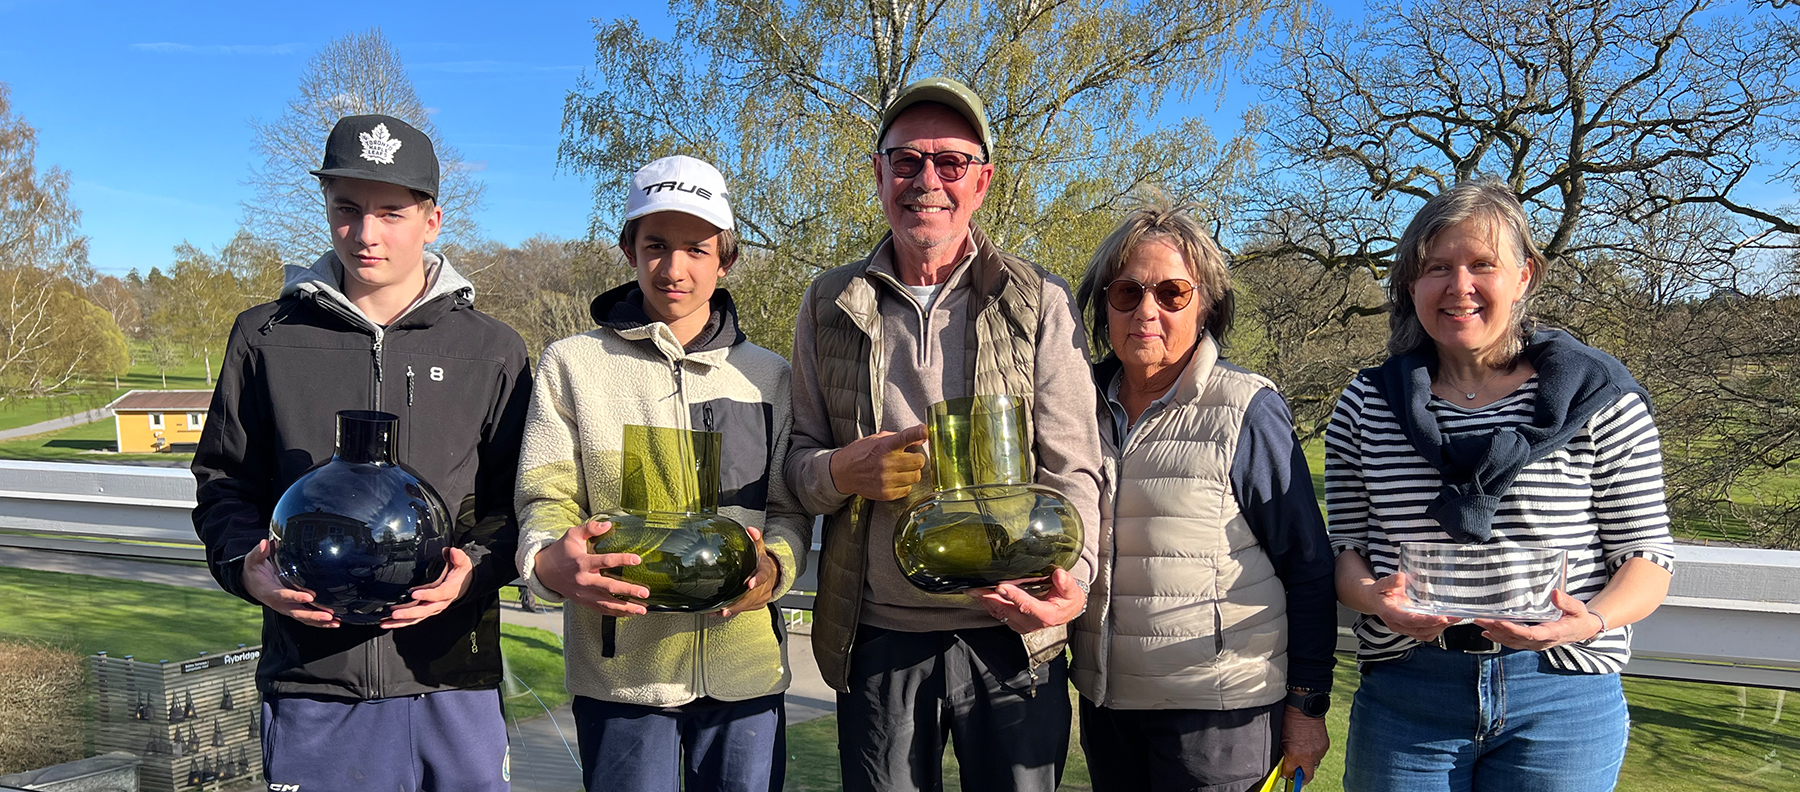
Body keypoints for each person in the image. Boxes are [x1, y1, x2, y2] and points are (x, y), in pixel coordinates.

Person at [191, 114, 533, 791]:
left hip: (451, 683)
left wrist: (472, 573)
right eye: (346, 208)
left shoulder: (493, 350)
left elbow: (517, 501)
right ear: (327, 208)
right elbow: (224, 482)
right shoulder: (265, 336)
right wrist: (244, 569)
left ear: (432, 219)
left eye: (391, 211)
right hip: (312, 685)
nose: (366, 233)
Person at [784, 77, 1105, 792]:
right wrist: (840, 473)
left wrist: (1071, 584)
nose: (927, 180)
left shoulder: (1039, 299)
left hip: (1013, 634)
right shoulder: (826, 303)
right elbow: (796, 464)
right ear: (878, 173)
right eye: (907, 161)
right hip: (878, 637)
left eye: (951, 162)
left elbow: (1074, 469)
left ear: (982, 181)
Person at [1326, 178, 1675, 791]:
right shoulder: (1367, 402)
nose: (1459, 286)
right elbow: (1344, 551)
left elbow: (1648, 559)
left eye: (1482, 264)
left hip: (1561, 693)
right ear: (1412, 286)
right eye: (1436, 267)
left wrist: (1585, 622)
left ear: (1525, 276)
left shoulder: (1599, 400)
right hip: (1409, 690)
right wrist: (1376, 599)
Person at [514, 155, 810, 792]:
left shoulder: (770, 377)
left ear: (726, 259)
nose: (674, 268)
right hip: (622, 678)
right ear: (628, 249)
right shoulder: (573, 365)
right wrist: (546, 560)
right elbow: (547, 495)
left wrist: (775, 568)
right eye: (655, 246)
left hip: (747, 678)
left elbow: (788, 510)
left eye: (697, 249)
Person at [1069, 198, 1337, 792]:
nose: (1146, 311)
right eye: (1126, 292)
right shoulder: (1072, 407)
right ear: (1104, 304)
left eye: (1172, 294)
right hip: (1108, 711)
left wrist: (1308, 706)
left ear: (1206, 306)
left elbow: (1309, 568)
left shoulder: (1246, 409)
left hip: (1221, 721)